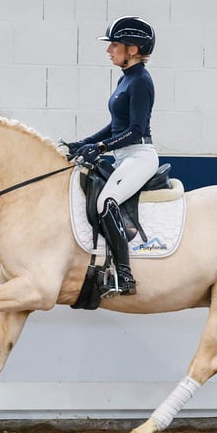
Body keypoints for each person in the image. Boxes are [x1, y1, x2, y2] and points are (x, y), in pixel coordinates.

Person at [67, 16, 159, 296]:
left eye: (114, 45)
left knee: (107, 202)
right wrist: (84, 142)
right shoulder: (127, 79)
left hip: (139, 155)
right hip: (124, 156)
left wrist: (102, 148)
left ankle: (124, 276)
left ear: (132, 49)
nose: (109, 51)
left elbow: (134, 131)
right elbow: (114, 126)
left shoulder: (141, 80)